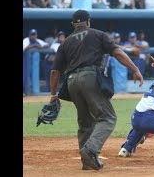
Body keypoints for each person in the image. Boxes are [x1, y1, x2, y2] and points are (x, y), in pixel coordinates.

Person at [49, 10, 143, 171]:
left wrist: (52, 94)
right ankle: (91, 149)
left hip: (71, 82)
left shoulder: (65, 42)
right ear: (88, 22)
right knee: (107, 118)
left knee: (85, 122)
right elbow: (118, 52)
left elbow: (54, 71)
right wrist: (135, 69)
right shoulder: (98, 34)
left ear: (73, 24)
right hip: (90, 77)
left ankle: (87, 163)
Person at [23, 29, 50, 95]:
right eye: (32, 35)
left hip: (35, 62)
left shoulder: (38, 40)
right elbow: (25, 48)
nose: (33, 36)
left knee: (34, 76)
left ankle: (32, 92)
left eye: (34, 35)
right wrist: (34, 45)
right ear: (29, 35)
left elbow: (48, 45)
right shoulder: (26, 40)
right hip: (25, 61)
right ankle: (26, 92)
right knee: (25, 76)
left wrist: (41, 46)